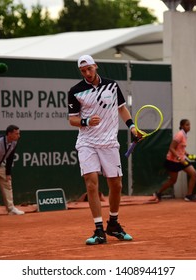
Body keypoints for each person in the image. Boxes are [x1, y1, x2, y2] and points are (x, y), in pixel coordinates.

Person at [68, 55, 136, 245]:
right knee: (91, 183)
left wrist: (131, 127)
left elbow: (122, 109)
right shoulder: (75, 91)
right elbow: (72, 119)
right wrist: (86, 121)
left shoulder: (112, 86)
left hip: (109, 143)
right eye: (83, 71)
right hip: (87, 142)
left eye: (89, 69)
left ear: (95, 66)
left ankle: (113, 224)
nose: (87, 73)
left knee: (117, 185)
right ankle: (99, 230)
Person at [153, 119, 196, 202]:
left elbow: (180, 148)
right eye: (187, 125)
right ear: (181, 126)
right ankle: (158, 193)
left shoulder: (184, 135)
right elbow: (171, 148)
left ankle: (189, 195)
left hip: (181, 159)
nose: (189, 127)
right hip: (173, 161)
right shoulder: (179, 135)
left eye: (189, 125)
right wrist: (178, 158)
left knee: (194, 174)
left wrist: (188, 155)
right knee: (173, 180)